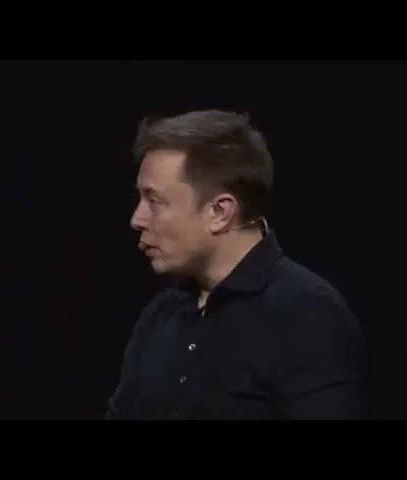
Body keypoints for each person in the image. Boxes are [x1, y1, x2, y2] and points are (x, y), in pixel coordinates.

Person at [105, 109, 368, 419]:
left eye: (155, 201)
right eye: (140, 199)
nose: (137, 219)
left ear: (220, 212)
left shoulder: (308, 313)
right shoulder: (161, 314)